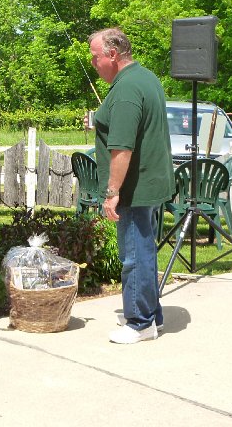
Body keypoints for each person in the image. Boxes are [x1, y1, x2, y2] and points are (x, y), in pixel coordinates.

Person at [88, 28, 174, 344]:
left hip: (135, 189)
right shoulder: (145, 77)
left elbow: (122, 148)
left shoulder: (125, 91)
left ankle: (140, 323)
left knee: (134, 253)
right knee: (145, 250)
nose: (93, 63)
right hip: (149, 183)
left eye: (96, 56)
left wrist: (112, 192)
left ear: (112, 55)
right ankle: (154, 317)